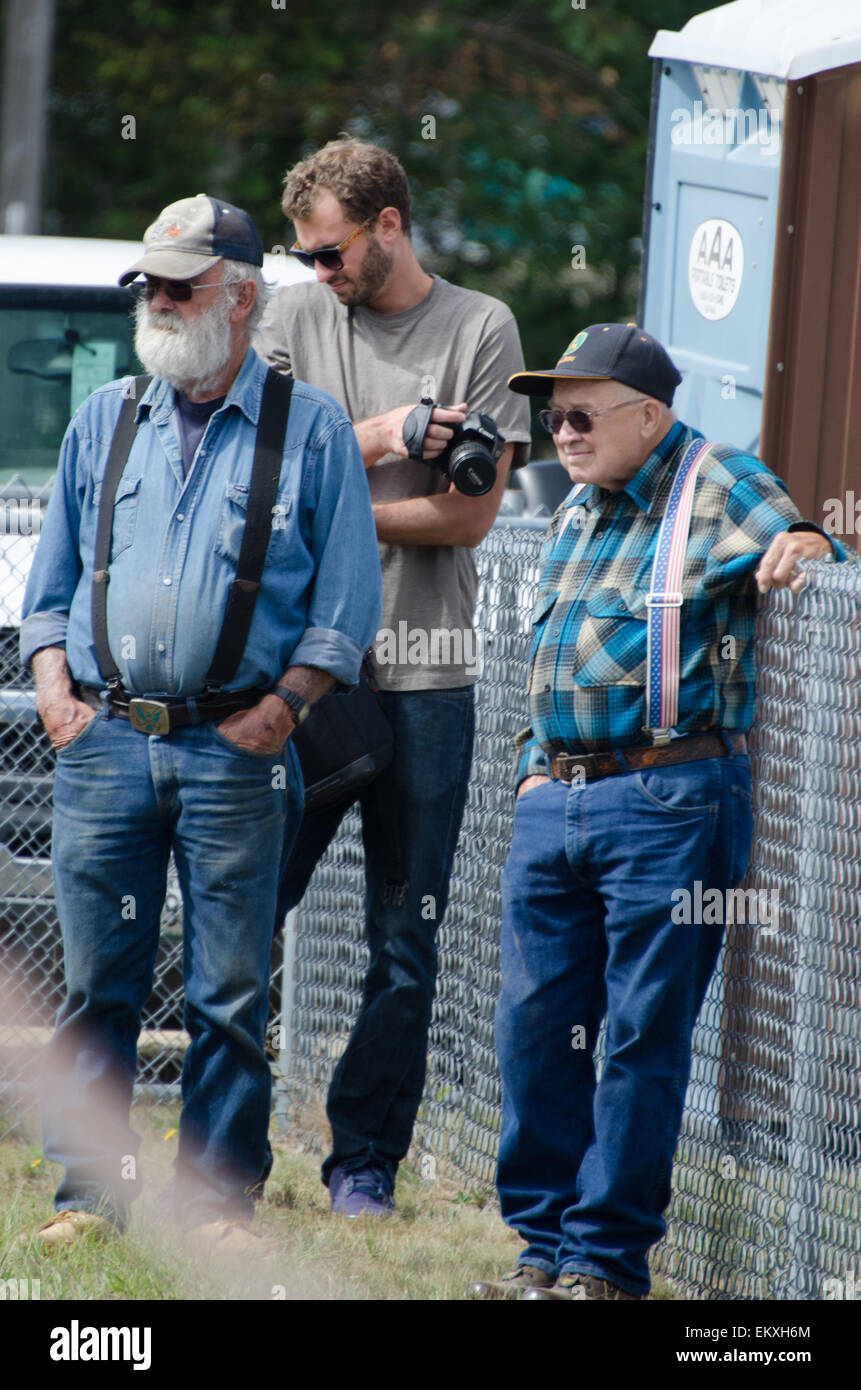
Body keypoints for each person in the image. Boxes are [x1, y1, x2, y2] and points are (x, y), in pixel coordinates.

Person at [19, 193, 382, 1251]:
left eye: (180, 285)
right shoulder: (106, 418)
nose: (159, 301)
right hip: (107, 744)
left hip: (236, 750)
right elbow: (51, 587)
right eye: (150, 285)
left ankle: (218, 1205)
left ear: (241, 297)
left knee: (229, 989)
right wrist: (55, 690)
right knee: (99, 986)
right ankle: (87, 1200)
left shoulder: (307, 427)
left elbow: (346, 606)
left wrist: (285, 708)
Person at [467, 322, 852, 1300]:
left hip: (671, 795)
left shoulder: (715, 478)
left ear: (649, 412)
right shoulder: (574, 511)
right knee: (534, 1028)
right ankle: (541, 1250)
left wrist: (805, 541)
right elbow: (545, 662)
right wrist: (530, 771)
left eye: (581, 411)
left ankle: (604, 1262)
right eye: (551, 414)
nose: (561, 429)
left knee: (641, 1033)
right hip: (558, 797)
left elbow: (806, 538)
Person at [255, 138, 532, 1216]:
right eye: (303, 257)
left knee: (404, 940)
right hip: (303, 677)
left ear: (388, 226)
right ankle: (223, 1152)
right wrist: (380, 437)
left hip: (425, 679)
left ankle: (362, 1162)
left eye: (330, 255)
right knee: (244, 904)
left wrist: (338, 514)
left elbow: (466, 514)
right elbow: (261, 474)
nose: (317, 276)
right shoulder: (287, 318)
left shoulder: (479, 328)